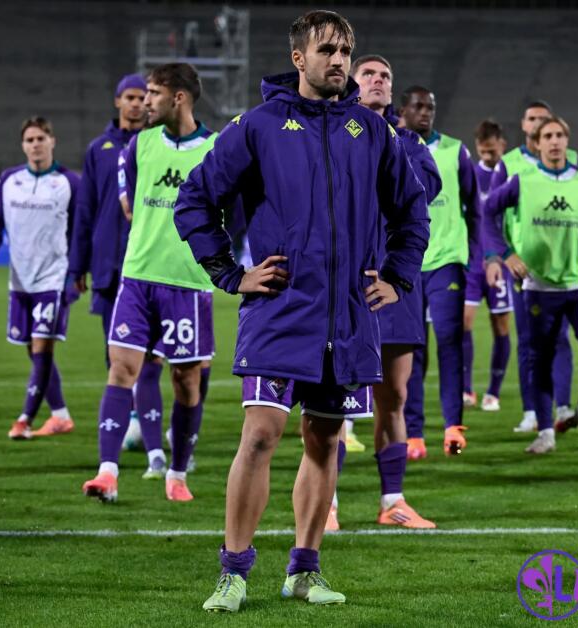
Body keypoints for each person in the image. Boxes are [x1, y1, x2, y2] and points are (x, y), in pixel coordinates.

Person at [174, 11, 429, 612]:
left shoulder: (373, 130)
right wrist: (230, 273)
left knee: (325, 439)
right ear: (299, 58)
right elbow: (196, 198)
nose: (338, 60)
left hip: (349, 316)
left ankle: (304, 571)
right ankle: (234, 572)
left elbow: (412, 210)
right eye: (326, 50)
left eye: (345, 50)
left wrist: (398, 276)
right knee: (261, 434)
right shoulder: (259, 125)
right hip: (280, 309)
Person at [79, 63, 218, 504]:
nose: (145, 102)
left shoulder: (217, 150)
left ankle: (177, 473)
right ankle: (107, 472)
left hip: (188, 283)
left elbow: (233, 211)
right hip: (138, 277)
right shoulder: (138, 145)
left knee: (186, 382)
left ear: (179, 98)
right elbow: (129, 208)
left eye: (154, 93)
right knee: (122, 369)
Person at [343, 52, 440, 529]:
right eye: (369, 74)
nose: (378, 80)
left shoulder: (411, 143)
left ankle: (393, 502)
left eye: (385, 75)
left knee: (394, 397)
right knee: (334, 398)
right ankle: (327, 503)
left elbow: (423, 191)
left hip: (396, 285)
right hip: (346, 283)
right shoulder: (334, 131)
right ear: (351, 82)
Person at [483, 116, 578, 453]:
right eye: (547, 136)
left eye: (559, 135)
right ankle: (546, 431)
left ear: (567, 140)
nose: (554, 141)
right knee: (540, 358)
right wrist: (504, 253)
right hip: (538, 286)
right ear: (537, 144)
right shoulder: (522, 180)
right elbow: (487, 212)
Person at [68, 74, 171, 471]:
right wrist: (78, 265)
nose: (137, 103)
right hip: (110, 267)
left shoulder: (158, 144)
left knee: (154, 356)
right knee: (117, 353)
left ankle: (151, 427)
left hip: (152, 265)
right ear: (117, 101)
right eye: (130, 96)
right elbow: (85, 211)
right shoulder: (100, 149)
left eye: (143, 97)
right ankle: (131, 421)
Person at [0, 117, 79, 440]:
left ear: (52, 141)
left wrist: (75, 274)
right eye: (29, 140)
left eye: (40, 138)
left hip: (53, 279)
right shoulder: (9, 180)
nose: (35, 144)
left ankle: (25, 419)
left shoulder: (69, 182)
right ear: (23, 146)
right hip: (20, 281)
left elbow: (81, 231)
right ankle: (60, 415)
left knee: (41, 346)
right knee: (32, 349)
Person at [398, 85, 480, 457]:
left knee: (449, 340)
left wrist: (474, 258)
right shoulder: (394, 146)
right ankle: (414, 433)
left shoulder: (456, 151)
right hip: (407, 263)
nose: (425, 112)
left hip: (447, 261)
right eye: (418, 106)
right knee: (412, 348)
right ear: (403, 110)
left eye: (430, 106)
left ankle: (453, 427)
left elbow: (473, 209)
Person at [493, 100, 576, 433]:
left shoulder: (572, 161)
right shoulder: (509, 164)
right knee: (529, 341)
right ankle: (531, 410)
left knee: (562, 339)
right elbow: (491, 212)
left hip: (565, 270)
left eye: (545, 119)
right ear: (525, 126)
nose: (539, 124)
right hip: (524, 269)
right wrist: (502, 254)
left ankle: (564, 407)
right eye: (533, 119)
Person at [463, 119, 514, 413]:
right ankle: (466, 389)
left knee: (501, 326)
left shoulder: (510, 175)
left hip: (501, 265)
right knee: (464, 322)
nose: (487, 156)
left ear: (502, 146)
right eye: (483, 152)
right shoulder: (470, 174)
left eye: (492, 151)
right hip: (473, 263)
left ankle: (493, 392)